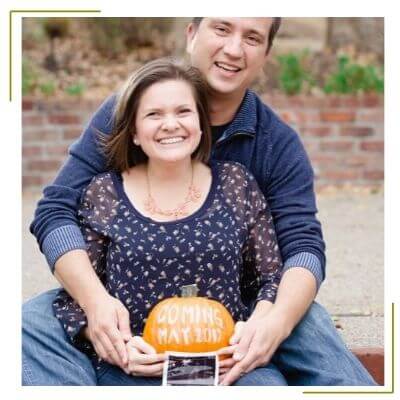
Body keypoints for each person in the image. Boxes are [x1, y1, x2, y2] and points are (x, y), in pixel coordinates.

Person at [23, 17, 376, 386]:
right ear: (191, 34)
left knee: (307, 320)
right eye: (222, 29)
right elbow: (55, 210)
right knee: (35, 319)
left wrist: (276, 320)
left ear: (267, 54)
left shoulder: (276, 143)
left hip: (241, 304)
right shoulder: (126, 110)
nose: (234, 49)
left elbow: (303, 246)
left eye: (252, 37)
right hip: (130, 299)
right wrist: (95, 303)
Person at [52, 57, 284, 385]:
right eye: (154, 114)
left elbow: (271, 278)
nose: (170, 124)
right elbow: (75, 296)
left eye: (183, 111)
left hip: (230, 368)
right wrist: (114, 345)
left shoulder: (236, 184)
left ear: (201, 123)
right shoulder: (106, 193)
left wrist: (258, 324)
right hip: (134, 368)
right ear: (134, 132)